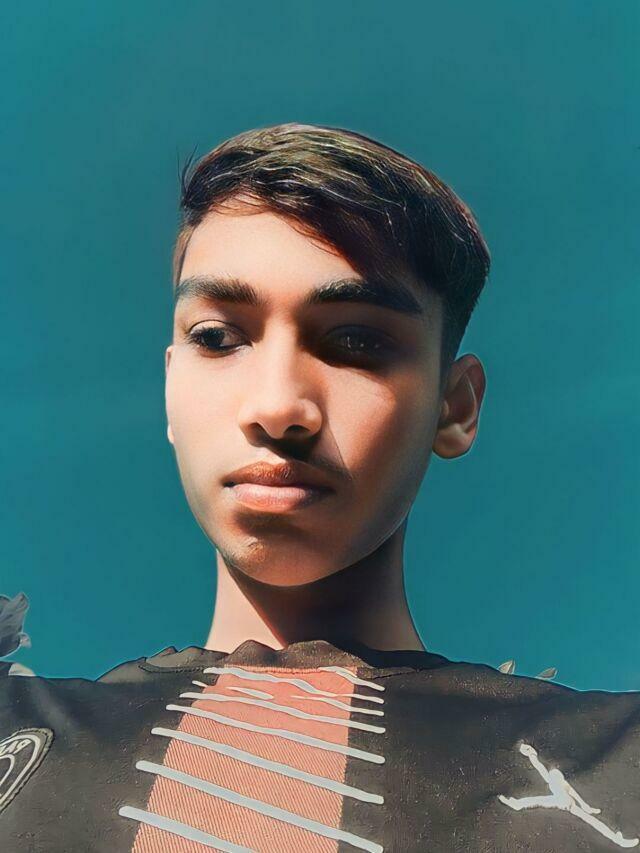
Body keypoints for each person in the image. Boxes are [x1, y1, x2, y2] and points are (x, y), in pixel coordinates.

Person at [1, 123, 638, 852]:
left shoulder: (618, 760)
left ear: (455, 407)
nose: (278, 406)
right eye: (217, 337)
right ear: (171, 388)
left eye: (356, 342)